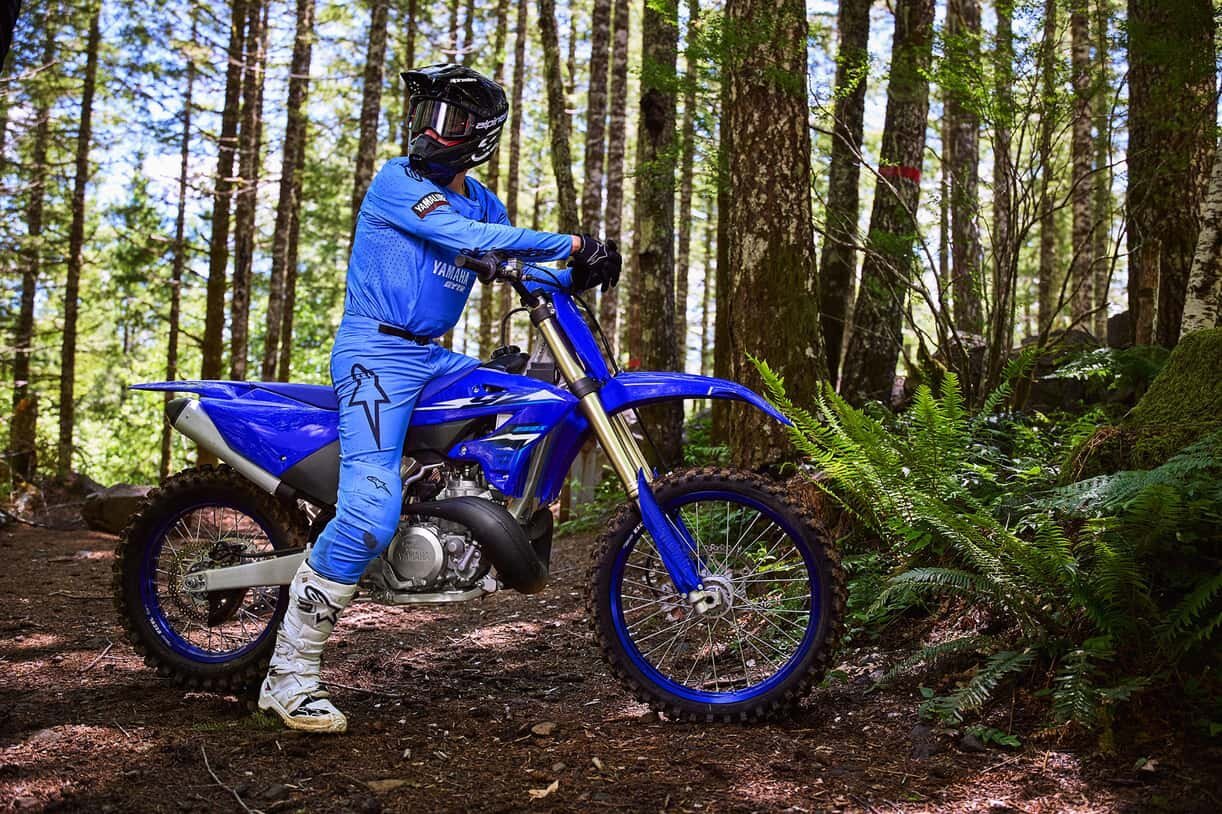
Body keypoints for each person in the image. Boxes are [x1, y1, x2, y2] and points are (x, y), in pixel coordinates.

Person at [258, 63, 621, 733]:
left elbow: (522, 264)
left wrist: (579, 271)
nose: (430, 129)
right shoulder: (397, 182)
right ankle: (289, 676)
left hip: (429, 357)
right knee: (368, 513)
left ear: (481, 134)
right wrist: (573, 241)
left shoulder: (482, 200)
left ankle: (457, 529)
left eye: (448, 118)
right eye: (424, 112)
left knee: (527, 398)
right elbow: (468, 241)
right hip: (374, 355)